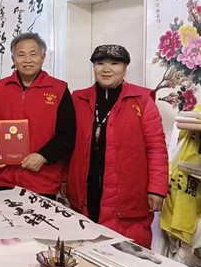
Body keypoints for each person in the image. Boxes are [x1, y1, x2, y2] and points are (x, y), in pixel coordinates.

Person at [65, 44, 168, 248]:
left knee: (126, 253)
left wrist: (157, 189)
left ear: (125, 68)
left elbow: (156, 147)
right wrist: (63, 178)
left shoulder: (142, 100)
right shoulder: (79, 98)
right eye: (100, 63)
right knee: (85, 249)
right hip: (87, 188)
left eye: (114, 63)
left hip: (128, 192)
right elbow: (68, 142)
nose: (106, 69)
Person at [0, 32, 76, 198]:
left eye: (33, 54)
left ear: (43, 57)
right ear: (13, 59)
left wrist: (44, 156)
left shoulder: (59, 89)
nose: (27, 60)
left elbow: (68, 134)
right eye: (21, 54)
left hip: (43, 180)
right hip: (4, 178)